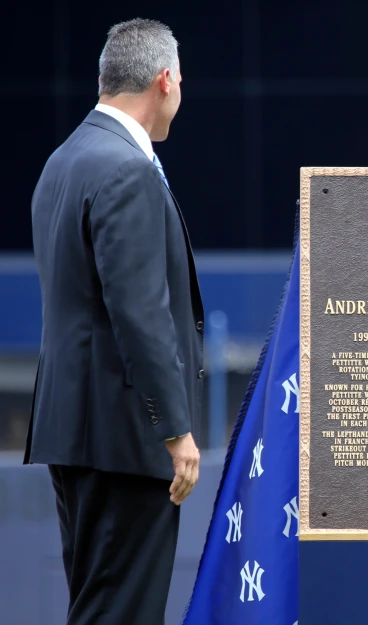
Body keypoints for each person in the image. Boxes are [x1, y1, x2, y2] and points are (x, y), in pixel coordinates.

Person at [24, 18, 204, 624]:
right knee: (121, 613)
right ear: (164, 80)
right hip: (126, 440)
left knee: (99, 606)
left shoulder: (63, 159)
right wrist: (175, 429)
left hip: (75, 433)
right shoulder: (126, 168)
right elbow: (138, 311)